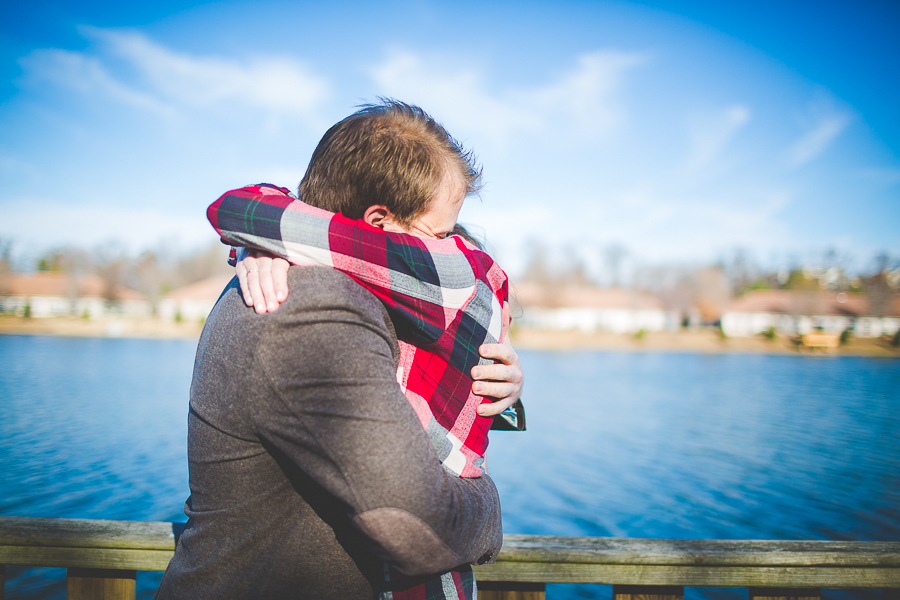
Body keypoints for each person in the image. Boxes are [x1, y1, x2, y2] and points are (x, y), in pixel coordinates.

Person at [155, 102, 522, 600]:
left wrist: (503, 384)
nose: (454, 250)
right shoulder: (314, 307)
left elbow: (415, 385)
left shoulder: (343, 290)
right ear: (377, 224)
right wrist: (488, 506)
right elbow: (417, 525)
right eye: (441, 235)